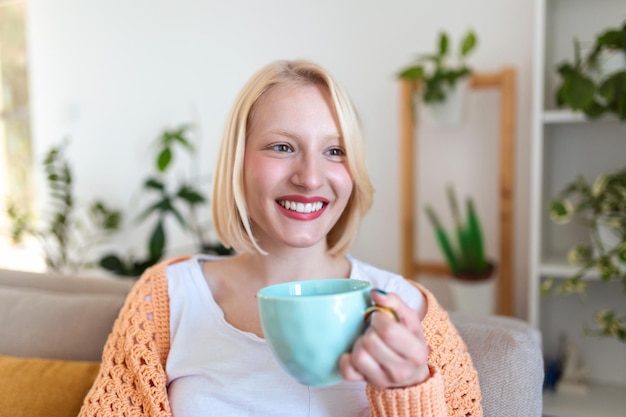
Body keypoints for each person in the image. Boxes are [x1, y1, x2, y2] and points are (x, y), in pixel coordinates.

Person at [79, 60, 482, 417]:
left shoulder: (410, 312)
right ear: (238, 162)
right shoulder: (166, 299)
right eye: (282, 147)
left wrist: (409, 393)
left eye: (336, 151)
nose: (309, 177)